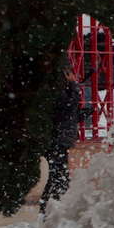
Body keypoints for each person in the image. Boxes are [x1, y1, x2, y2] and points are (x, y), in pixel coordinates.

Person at [41, 67, 81, 212]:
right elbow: (70, 103)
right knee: (60, 179)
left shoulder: (57, 90)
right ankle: (50, 211)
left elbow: (67, 111)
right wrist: (73, 86)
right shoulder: (56, 90)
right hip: (57, 140)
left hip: (57, 139)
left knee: (57, 177)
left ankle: (49, 211)